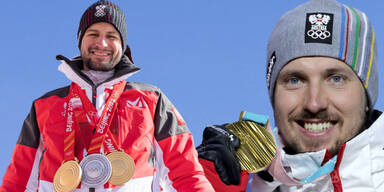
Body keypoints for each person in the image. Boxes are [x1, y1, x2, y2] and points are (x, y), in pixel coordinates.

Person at [0, 1, 214, 191]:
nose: (101, 44)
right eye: (93, 34)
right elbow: (17, 183)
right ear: (80, 40)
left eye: (111, 36)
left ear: (123, 46)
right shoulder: (44, 106)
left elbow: (186, 175)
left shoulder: (151, 100)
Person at [197, 0, 382, 191]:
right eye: (295, 81)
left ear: (367, 95)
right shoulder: (250, 185)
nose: (314, 103)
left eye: (336, 79)